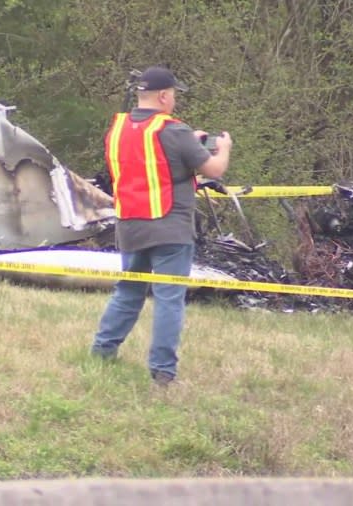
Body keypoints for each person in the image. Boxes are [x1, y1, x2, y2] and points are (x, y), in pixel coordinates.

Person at [91, 66, 232, 387]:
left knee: (128, 291)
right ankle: (163, 371)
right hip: (170, 226)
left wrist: (191, 143)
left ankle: (102, 350)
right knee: (169, 298)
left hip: (129, 224)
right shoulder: (174, 131)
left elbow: (151, 160)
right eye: (174, 95)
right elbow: (214, 169)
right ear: (165, 96)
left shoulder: (118, 128)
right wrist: (223, 149)